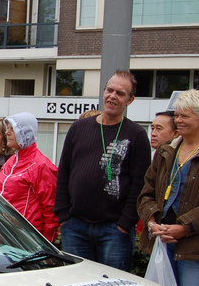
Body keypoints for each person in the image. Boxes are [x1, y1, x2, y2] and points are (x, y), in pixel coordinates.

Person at [54, 70, 151, 271]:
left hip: (114, 231)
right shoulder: (78, 128)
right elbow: (64, 172)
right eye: (110, 90)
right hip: (75, 227)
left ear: (130, 100)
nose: (113, 96)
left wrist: (125, 223)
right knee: (76, 283)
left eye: (120, 93)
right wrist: (64, 216)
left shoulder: (137, 135)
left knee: (113, 285)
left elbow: (139, 185)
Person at [138, 90, 199, 286]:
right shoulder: (165, 151)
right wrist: (152, 223)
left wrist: (184, 227)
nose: (178, 120)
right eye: (177, 115)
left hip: (193, 250)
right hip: (162, 242)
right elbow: (146, 193)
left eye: (185, 116)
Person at [0, 112, 58, 242]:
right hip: (1, 235)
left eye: (12, 129)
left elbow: (51, 207)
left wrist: (46, 243)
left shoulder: (41, 165)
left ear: (25, 132)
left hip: (25, 239)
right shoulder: (11, 161)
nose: (7, 132)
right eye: (8, 128)